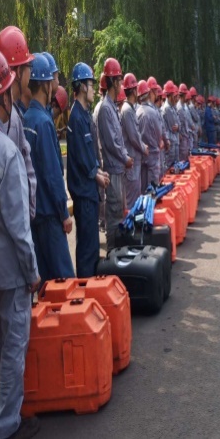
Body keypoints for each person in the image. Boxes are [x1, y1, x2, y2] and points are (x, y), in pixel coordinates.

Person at [0, 47, 42, 439]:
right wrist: (32, 273)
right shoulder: (5, 152)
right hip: (10, 269)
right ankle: (6, 424)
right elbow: (17, 224)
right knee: (13, 347)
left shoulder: (13, 132)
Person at [23, 53, 74, 281]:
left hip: (35, 215)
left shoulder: (27, 118)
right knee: (64, 281)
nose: (57, 82)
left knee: (46, 283)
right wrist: (63, 213)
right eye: (54, 77)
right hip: (50, 216)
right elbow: (52, 174)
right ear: (45, 84)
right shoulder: (43, 123)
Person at [67, 62, 109, 277]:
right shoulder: (76, 116)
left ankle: (91, 284)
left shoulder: (83, 114)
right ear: (82, 86)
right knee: (86, 249)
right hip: (83, 194)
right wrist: (97, 175)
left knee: (92, 246)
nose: (93, 89)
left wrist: (99, 172)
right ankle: (85, 286)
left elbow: (89, 154)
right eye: (91, 84)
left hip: (88, 192)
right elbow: (83, 158)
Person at [0, 26, 37, 220]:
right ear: (18, 71)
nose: (30, 75)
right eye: (28, 67)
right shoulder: (10, 119)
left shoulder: (14, 114)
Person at [97, 58, 133, 251]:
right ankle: (112, 254)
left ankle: (118, 252)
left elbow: (119, 140)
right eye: (118, 79)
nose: (121, 84)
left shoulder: (111, 107)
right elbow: (112, 143)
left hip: (118, 168)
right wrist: (125, 158)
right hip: (113, 169)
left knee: (119, 213)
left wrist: (125, 157)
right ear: (112, 81)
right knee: (113, 217)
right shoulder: (105, 109)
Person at [121, 73, 148, 204]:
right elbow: (133, 138)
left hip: (135, 162)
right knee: (132, 202)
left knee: (135, 198)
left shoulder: (130, 109)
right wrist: (143, 147)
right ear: (133, 91)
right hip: (131, 164)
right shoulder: (127, 111)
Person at [137, 80, 162, 192]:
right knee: (153, 190)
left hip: (142, 156)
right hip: (153, 155)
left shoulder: (137, 112)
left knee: (143, 189)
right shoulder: (152, 112)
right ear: (148, 94)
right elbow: (159, 133)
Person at [162, 81, 180, 166]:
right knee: (169, 166)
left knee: (175, 165)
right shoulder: (167, 108)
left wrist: (178, 126)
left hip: (174, 141)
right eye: (173, 94)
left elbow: (178, 124)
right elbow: (173, 127)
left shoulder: (172, 107)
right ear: (170, 95)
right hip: (171, 142)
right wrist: (178, 126)